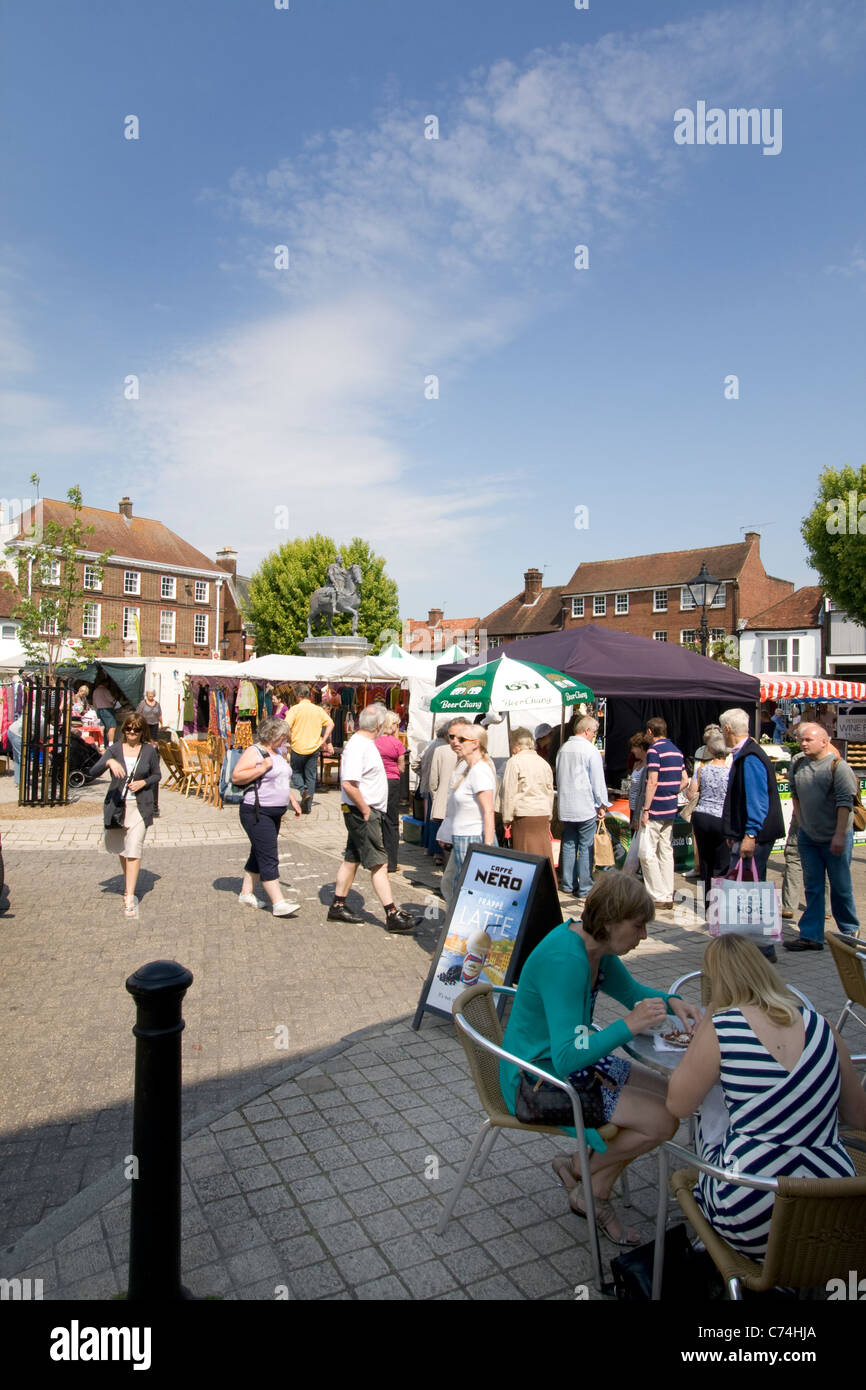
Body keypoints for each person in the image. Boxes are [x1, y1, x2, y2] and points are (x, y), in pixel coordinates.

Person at [500, 873, 700, 1245]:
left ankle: (580, 1169)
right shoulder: (567, 960)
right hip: (534, 1081)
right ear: (609, 922)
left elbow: (633, 993)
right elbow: (566, 1058)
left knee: (672, 1097)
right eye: (638, 926)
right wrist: (629, 1025)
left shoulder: (595, 948)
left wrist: (673, 1001)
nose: (644, 936)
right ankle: (591, 1189)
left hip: (566, 1066)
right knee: (661, 1120)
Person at [667, 934, 866, 1259]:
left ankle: (712, 1243)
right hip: (834, 1209)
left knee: (710, 1115)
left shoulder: (722, 1027)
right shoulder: (823, 1027)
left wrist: (708, 1021)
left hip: (749, 1209)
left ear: (715, 983)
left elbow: (678, 1105)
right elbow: (858, 1116)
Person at [328, 705, 416, 932]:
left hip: (365, 810)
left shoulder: (365, 743)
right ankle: (392, 914)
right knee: (379, 863)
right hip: (363, 812)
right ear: (378, 725)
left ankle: (337, 905)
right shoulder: (359, 746)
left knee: (352, 858)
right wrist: (366, 810)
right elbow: (349, 783)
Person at [783, 723, 860, 951]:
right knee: (813, 886)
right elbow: (795, 795)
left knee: (840, 886)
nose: (803, 743)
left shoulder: (838, 767)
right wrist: (803, 824)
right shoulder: (798, 763)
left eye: (808, 740)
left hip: (835, 837)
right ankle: (811, 936)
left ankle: (849, 932)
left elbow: (845, 804)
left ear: (824, 741)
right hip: (809, 837)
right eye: (801, 739)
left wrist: (839, 835)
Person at [718, 708, 785, 963]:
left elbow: (757, 800)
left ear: (727, 729)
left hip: (754, 836)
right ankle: (754, 947)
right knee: (749, 891)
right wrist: (734, 831)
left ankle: (758, 948)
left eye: (721, 729)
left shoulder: (750, 757)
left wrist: (749, 834)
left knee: (747, 893)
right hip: (746, 833)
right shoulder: (746, 753)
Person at [91, 713, 161, 918]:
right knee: (123, 849)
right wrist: (109, 762)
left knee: (134, 848)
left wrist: (143, 782)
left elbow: (157, 774)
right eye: (129, 728)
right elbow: (92, 772)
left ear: (142, 731)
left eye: (136, 729)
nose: (132, 732)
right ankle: (128, 880)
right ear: (124, 730)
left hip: (140, 806)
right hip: (118, 807)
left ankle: (129, 894)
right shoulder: (114, 749)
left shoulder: (149, 750)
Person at [232, 716, 302, 917]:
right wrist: (262, 768)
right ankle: (278, 903)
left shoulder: (278, 752)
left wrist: (292, 800)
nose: (285, 739)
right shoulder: (254, 751)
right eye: (282, 736)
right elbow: (236, 776)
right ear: (272, 734)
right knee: (269, 855)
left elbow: (281, 780)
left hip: (274, 812)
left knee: (259, 852)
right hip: (257, 812)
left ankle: (246, 894)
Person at [439, 723, 497, 902]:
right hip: (464, 837)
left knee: (469, 890)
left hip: (473, 837)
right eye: (453, 738)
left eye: (461, 739)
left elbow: (489, 811)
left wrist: (487, 847)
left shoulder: (480, 771)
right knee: (459, 886)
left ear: (475, 744)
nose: (455, 742)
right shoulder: (469, 769)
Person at [556, 714, 611, 904]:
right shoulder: (590, 750)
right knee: (586, 846)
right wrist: (602, 804)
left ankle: (568, 883)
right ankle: (585, 886)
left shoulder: (563, 748)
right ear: (587, 731)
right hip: (585, 804)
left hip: (566, 804)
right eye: (594, 731)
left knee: (569, 843)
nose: (595, 735)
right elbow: (597, 780)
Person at [638, 717, 686, 910]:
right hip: (670, 807)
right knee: (666, 851)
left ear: (650, 731)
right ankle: (667, 893)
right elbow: (685, 780)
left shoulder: (654, 750)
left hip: (656, 807)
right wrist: (672, 793)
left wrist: (646, 809)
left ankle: (657, 895)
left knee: (646, 852)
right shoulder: (677, 750)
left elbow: (652, 781)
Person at [687, 729, 731, 905]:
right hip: (721, 818)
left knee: (705, 860)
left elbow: (691, 793)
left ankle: (708, 905)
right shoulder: (731, 772)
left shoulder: (702, 770)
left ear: (710, 750)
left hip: (702, 816)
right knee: (722, 862)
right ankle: (719, 903)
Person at [500, 727, 555, 863]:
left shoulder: (514, 762)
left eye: (511, 742)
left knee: (524, 853)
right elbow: (549, 791)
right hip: (542, 813)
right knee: (543, 852)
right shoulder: (543, 763)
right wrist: (549, 815)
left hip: (524, 813)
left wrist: (506, 817)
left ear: (516, 744)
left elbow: (509, 791)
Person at [284, 684, 334, 814]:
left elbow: (285, 726)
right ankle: (308, 806)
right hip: (313, 747)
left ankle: (303, 791)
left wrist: (290, 737)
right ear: (309, 695)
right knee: (311, 777)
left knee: (295, 773)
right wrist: (323, 740)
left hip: (298, 747)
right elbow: (331, 723)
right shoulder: (318, 710)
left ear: (298, 696)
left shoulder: (294, 709)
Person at [374, 710, 405, 874]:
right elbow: (402, 767)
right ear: (392, 725)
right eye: (397, 724)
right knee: (392, 821)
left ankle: (376, 858)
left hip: (376, 781)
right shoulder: (397, 744)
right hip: (392, 782)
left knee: (376, 818)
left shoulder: (375, 742)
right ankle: (392, 862)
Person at [428, 721, 460, 868]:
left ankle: (440, 857)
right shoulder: (469, 752)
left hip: (443, 798)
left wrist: (435, 797)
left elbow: (433, 780)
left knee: (443, 834)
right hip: (457, 803)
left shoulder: (440, 751)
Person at [416, 721, 450, 854]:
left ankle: (427, 847)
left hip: (428, 786)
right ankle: (436, 851)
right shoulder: (445, 748)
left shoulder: (430, 745)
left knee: (429, 818)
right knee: (436, 818)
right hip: (437, 788)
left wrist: (423, 774)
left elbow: (415, 763)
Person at [626, 733, 651, 833]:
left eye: (634, 747)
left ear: (641, 748)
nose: (632, 750)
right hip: (632, 807)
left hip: (640, 808)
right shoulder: (636, 764)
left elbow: (644, 790)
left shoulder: (649, 766)